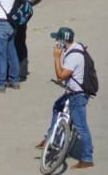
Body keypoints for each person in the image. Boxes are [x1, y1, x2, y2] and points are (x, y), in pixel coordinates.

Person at [38, 27, 94, 169]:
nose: (55, 42)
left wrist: (57, 57)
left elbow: (60, 76)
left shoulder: (72, 57)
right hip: (73, 91)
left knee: (81, 127)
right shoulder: (76, 47)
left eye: (57, 39)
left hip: (77, 95)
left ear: (62, 42)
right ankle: (51, 138)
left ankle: (87, 158)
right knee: (58, 106)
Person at [9, 0, 33, 78]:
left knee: (20, 43)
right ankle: (12, 70)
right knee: (11, 44)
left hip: (20, 19)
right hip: (11, 17)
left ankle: (22, 71)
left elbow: (27, 4)